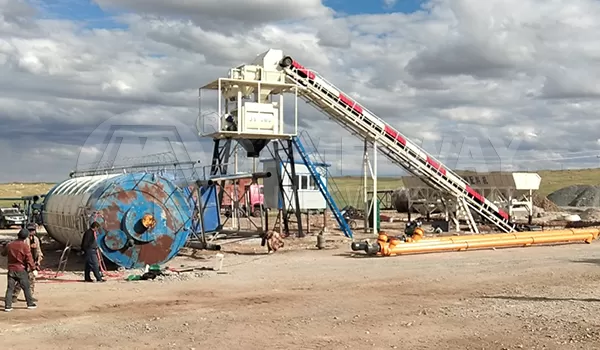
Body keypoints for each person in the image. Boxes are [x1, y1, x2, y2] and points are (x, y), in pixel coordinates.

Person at [2, 228, 37, 311]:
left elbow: (3, 254)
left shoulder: (10, 244)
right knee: (26, 287)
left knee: (10, 288)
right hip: (21, 269)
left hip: (11, 269)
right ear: (25, 237)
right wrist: (33, 269)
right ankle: (30, 304)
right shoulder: (24, 246)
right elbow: (29, 258)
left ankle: (8, 306)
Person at [12, 223, 43, 303]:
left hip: (33, 262)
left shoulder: (36, 239)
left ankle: (30, 296)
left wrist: (38, 261)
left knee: (32, 280)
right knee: (21, 280)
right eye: (29, 230)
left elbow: (38, 251)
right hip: (24, 263)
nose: (31, 232)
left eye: (32, 230)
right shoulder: (24, 240)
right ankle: (14, 295)